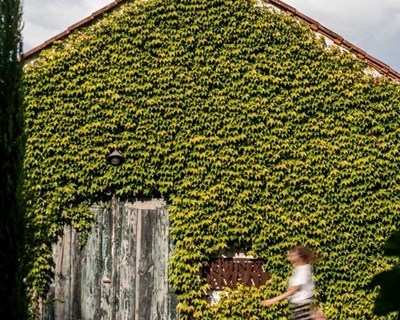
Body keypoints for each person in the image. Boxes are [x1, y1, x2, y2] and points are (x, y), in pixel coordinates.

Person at [261, 245, 318, 320]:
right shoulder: (301, 268)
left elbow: (293, 290)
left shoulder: (303, 270)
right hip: (301, 306)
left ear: (299, 256)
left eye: (293, 254)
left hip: (301, 306)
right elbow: (308, 292)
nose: (290, 255)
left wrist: (272, 300)